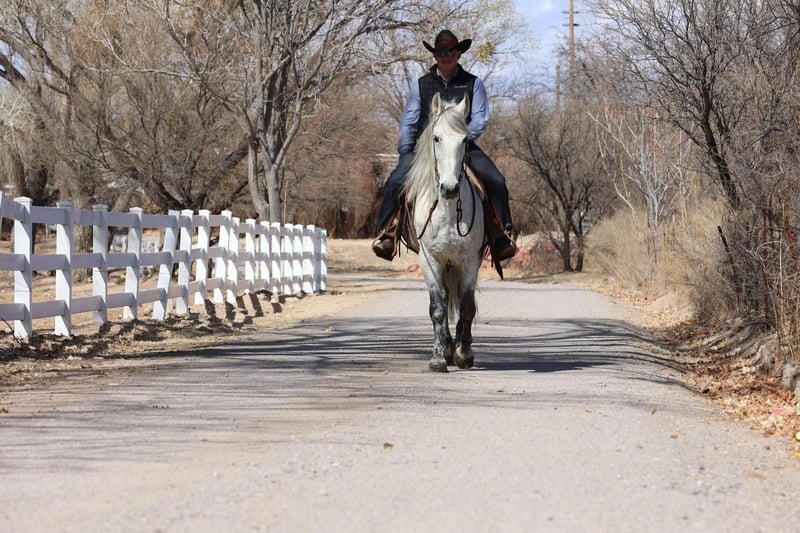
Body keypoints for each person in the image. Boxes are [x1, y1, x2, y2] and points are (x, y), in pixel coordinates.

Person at [372, 29, 516, 262]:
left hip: (463, 146)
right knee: (396, 181)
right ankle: (387, 233)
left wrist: (461, 139)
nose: (446, 56)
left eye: (450, 52)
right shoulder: (421, 85)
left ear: (459, 54)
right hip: (424, 149)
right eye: (441, 52)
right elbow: (409, 122)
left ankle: (502, 235)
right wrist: (406, 152)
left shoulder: (473, 83)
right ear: (434, 55)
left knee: (496, 180)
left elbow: (480, 119)